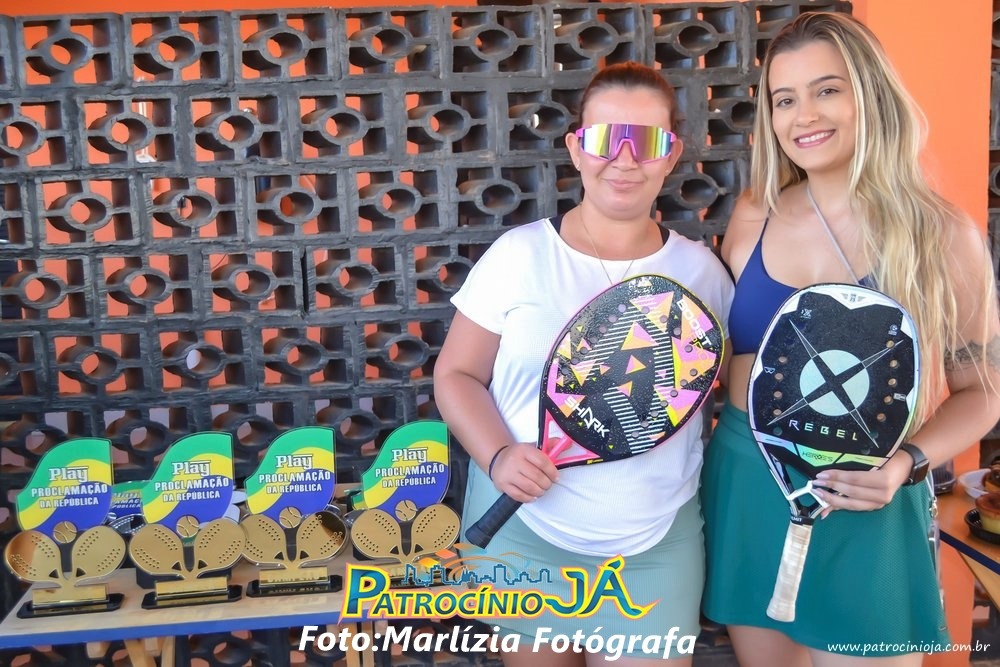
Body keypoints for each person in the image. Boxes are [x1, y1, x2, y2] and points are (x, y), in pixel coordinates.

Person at [701, 11, 1000, 666]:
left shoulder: (940, 235)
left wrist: (904, 465)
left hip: (867, 491)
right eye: (784, 99)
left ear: (870, 94)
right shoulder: (753, 214)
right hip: (749, 479)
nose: (804, 115)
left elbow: (983, 392)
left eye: (827, 90)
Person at [433, 62, 734, 665]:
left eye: (645, 141)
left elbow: (712, 387)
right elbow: (456, 375)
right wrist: (499, 455)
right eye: (604, 138)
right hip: (523, 534)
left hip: (656, 544)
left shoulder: (702, 274)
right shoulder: (519, 255)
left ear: (672, 154)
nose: (624, 159)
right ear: (576, 148)